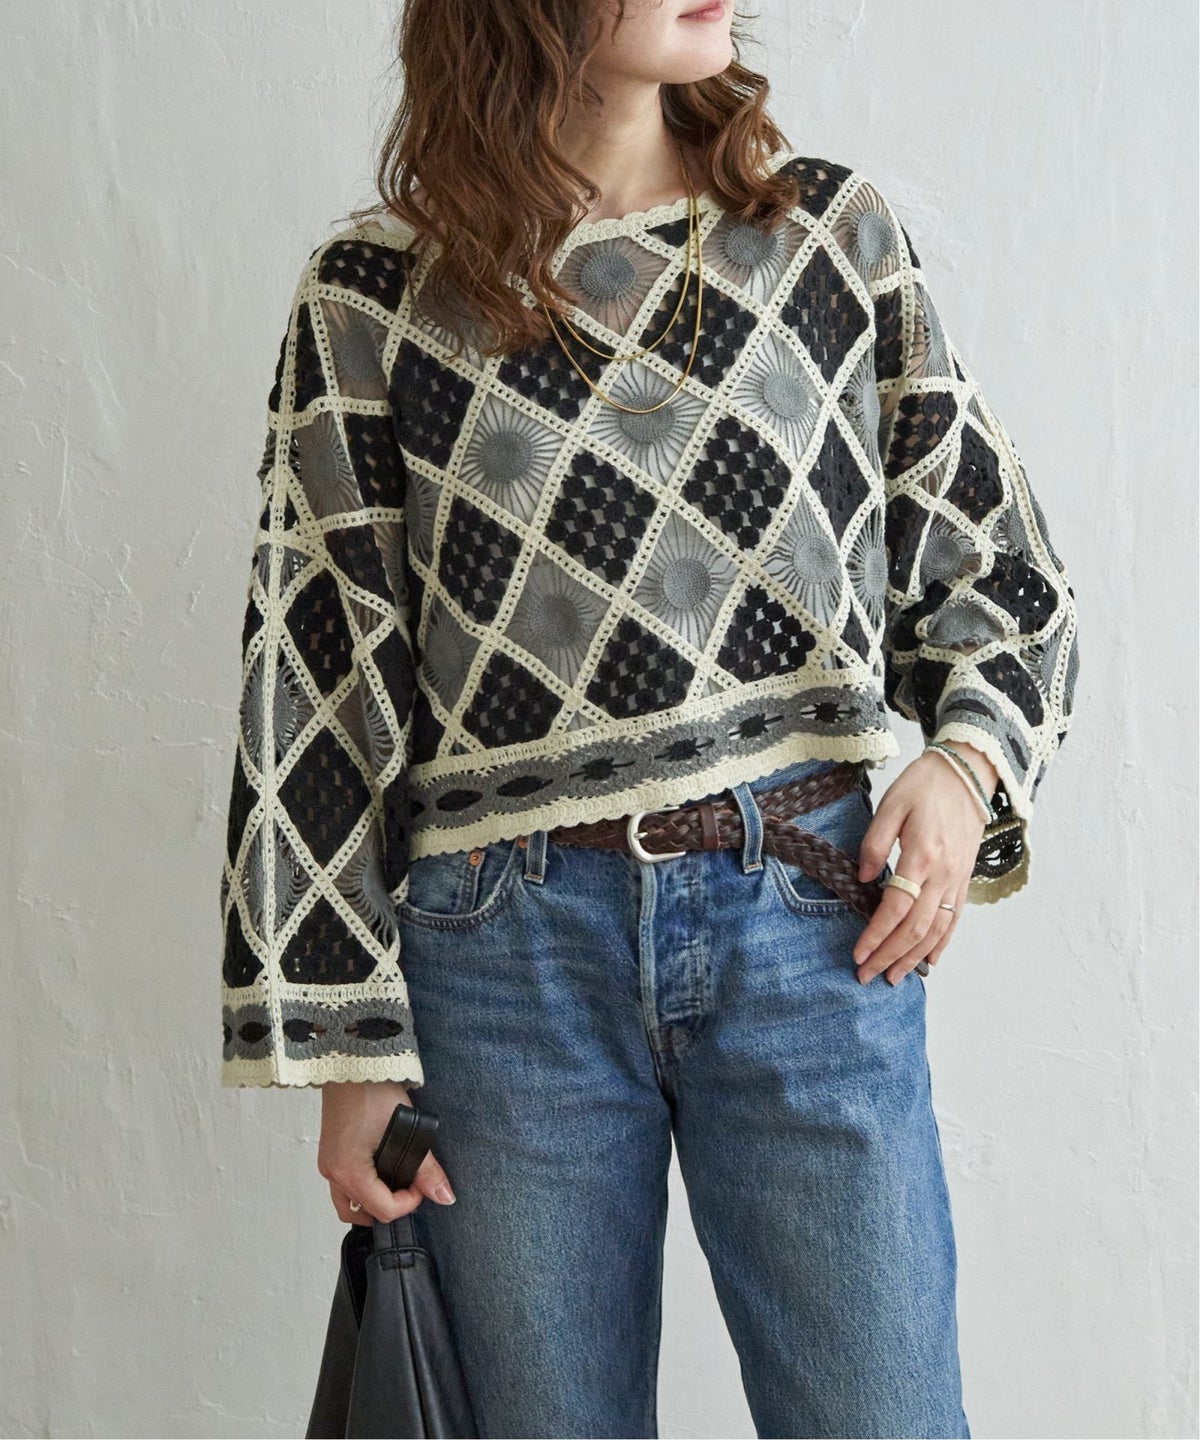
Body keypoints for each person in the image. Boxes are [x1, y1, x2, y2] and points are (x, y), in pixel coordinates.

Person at [218, 2, 1079, 1434]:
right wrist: (353, 1048)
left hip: (813, 920)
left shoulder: (827, 239)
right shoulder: (371, 298)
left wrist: (965, 763)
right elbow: (319, 671)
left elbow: (996, 568)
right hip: (504, 965)